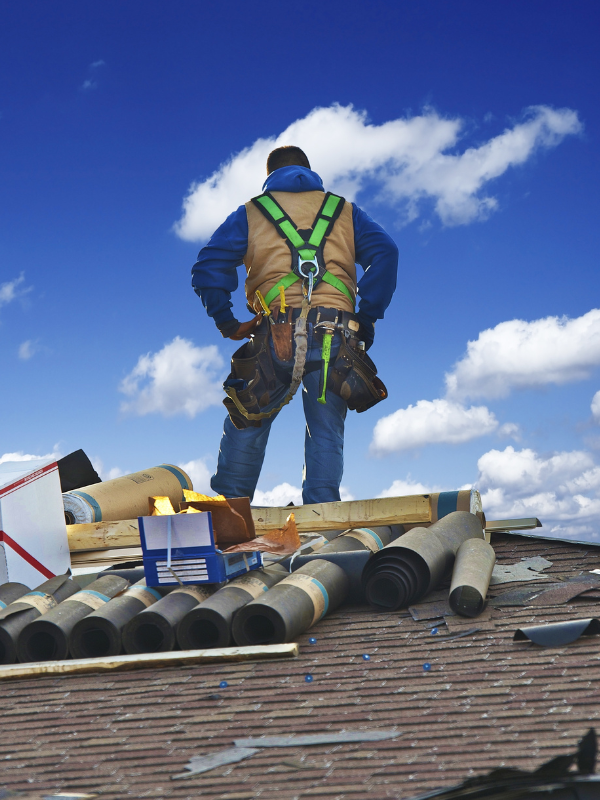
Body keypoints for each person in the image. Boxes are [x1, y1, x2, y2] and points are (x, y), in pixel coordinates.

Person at [191, 145, 398, 504]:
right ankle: (322, 520)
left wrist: (228, 323)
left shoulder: (252, 212)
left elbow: (208, 266)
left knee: (247, 418)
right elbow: (386, 252)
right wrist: (366, 317)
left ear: (269, 175)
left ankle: (229, 512)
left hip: (276, 334)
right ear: (309, 171)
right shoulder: (345, 211)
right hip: (337, 336)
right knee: (325, 430)